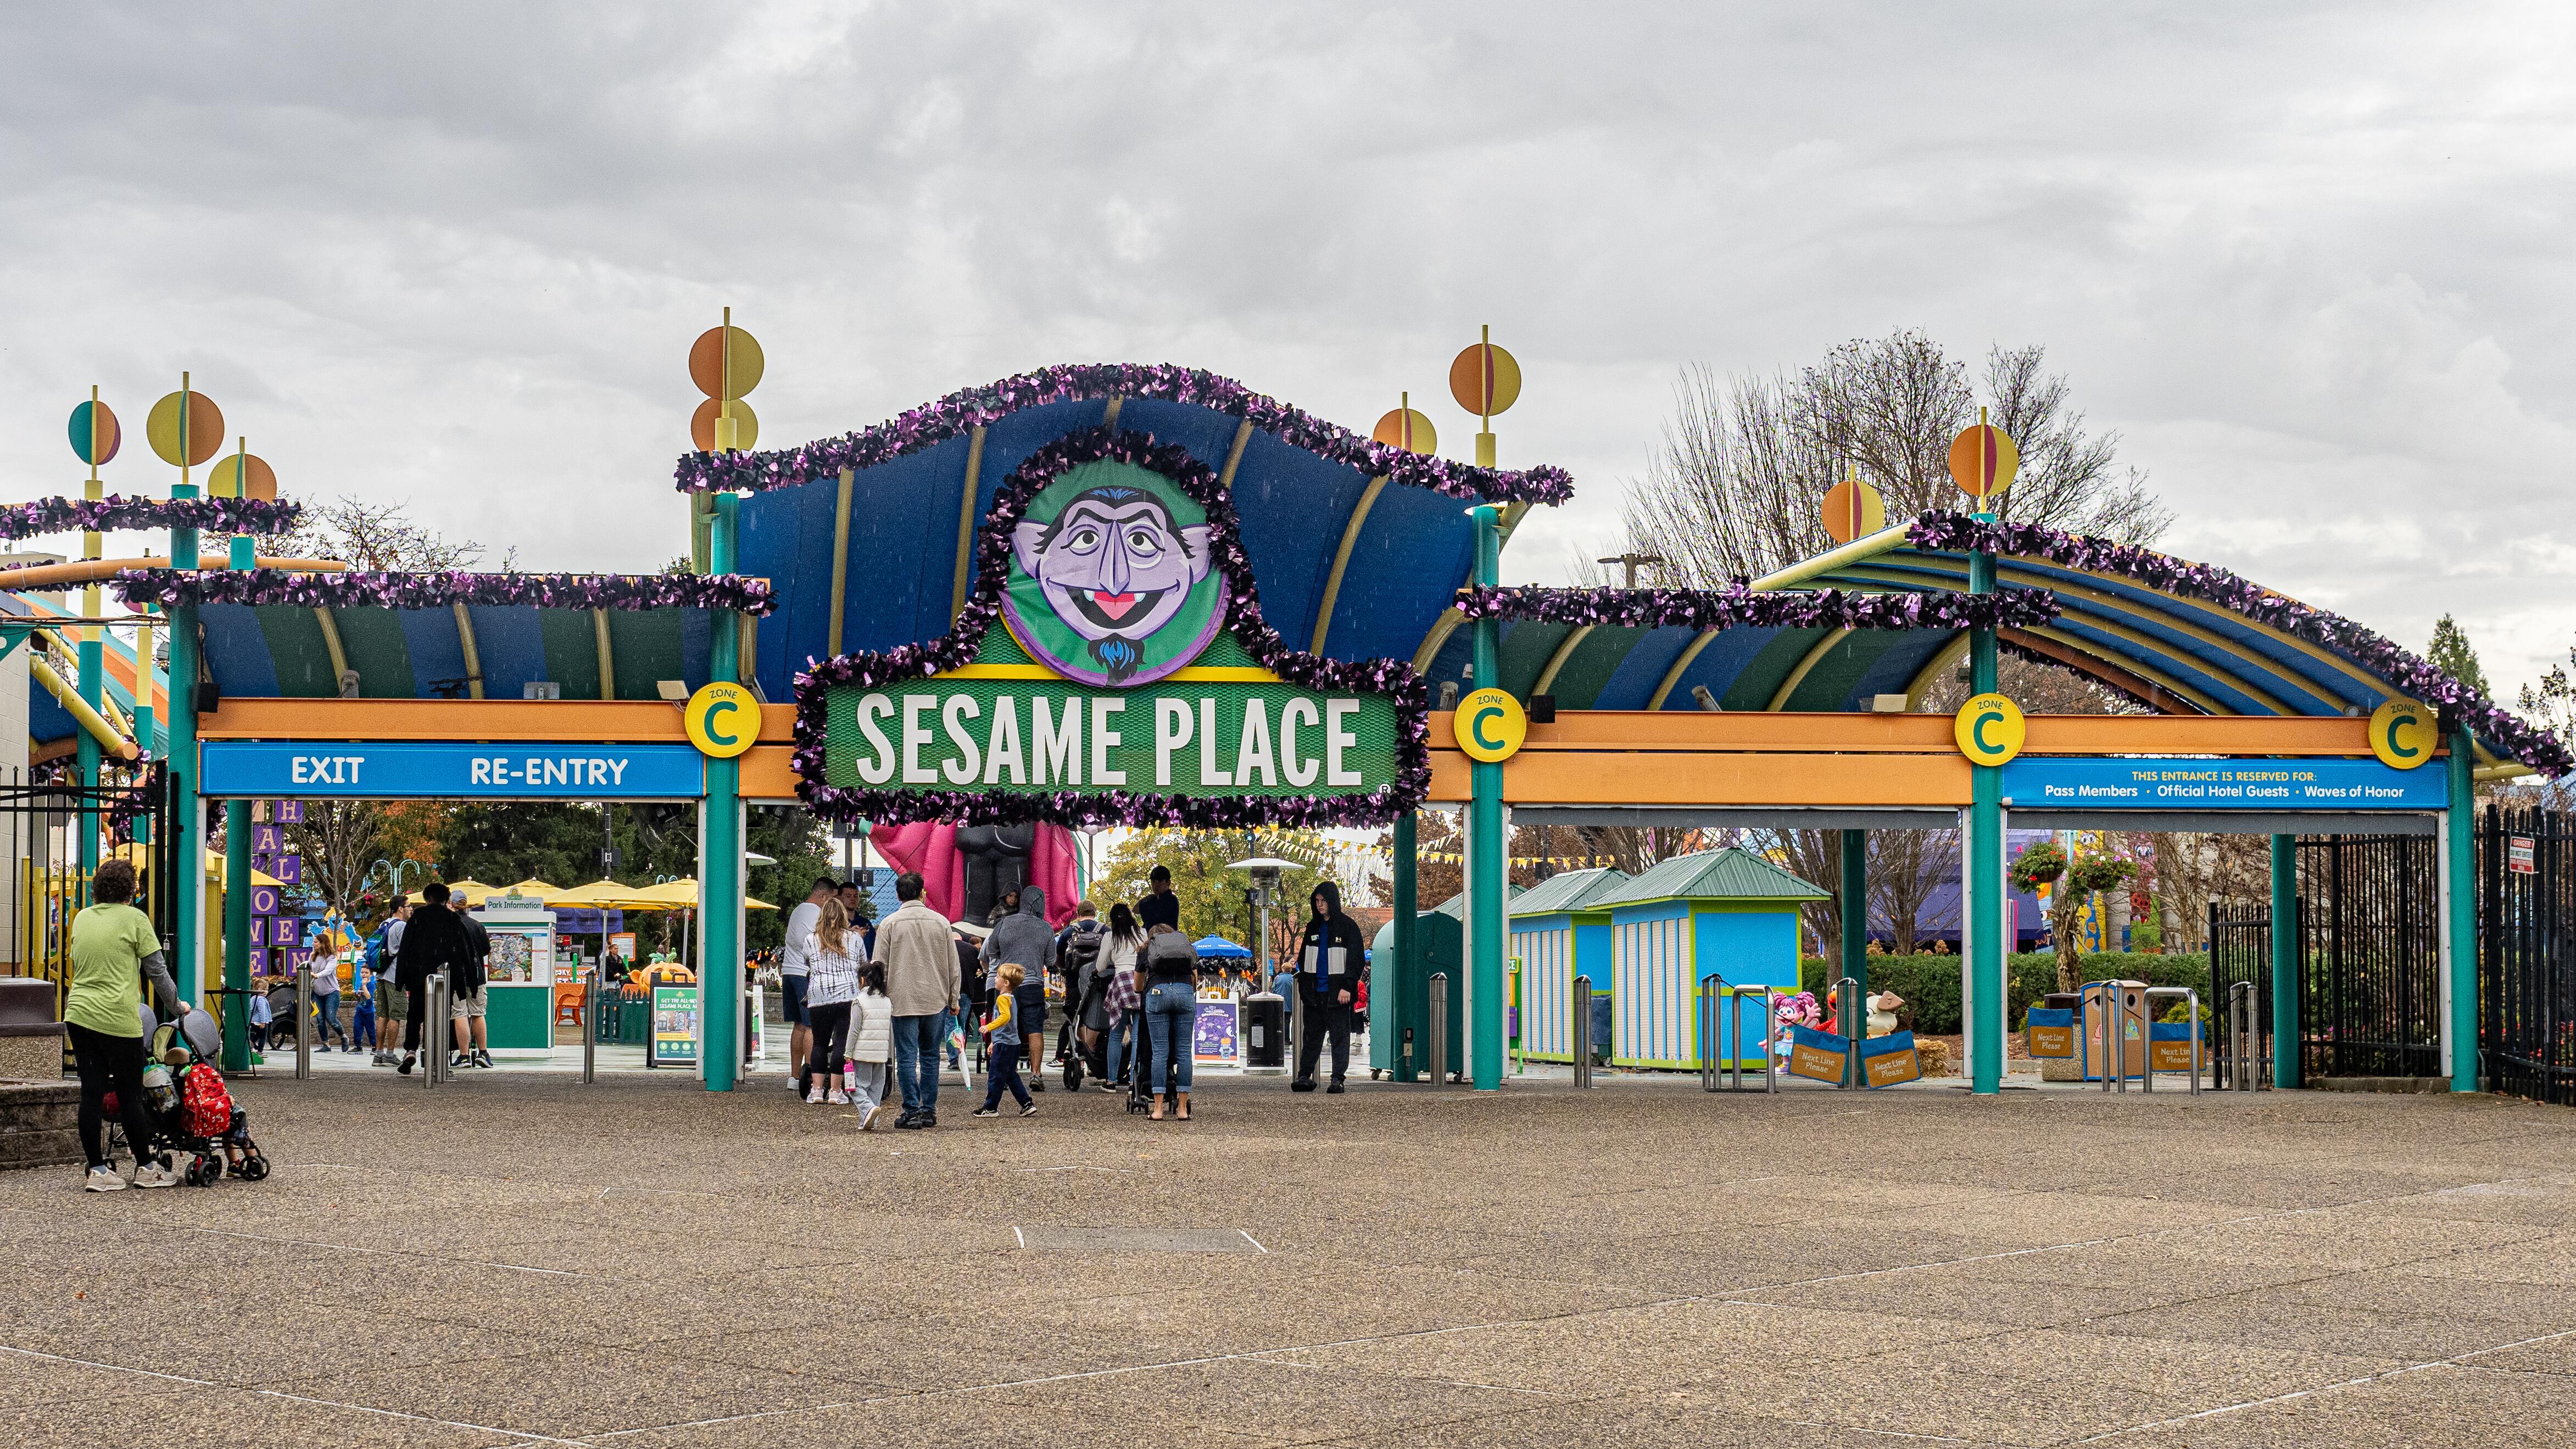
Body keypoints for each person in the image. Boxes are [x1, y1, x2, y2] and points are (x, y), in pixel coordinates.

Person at [67, 859, 182, 1190]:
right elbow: (157, 971)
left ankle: (98, 1171)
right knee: (130, 1094)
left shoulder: (82, 918)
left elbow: (80, 961)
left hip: (79, 1014)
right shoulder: (135, 919)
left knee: (91, 1093)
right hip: (117, 1017)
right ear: (131, 891)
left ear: (97, 889)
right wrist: (178, 1006)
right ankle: (146, 1168)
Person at [871, 871, 953, 1130]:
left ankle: (911, 1110)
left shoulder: (889, 924)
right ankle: (929, 1110)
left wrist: (879, 995)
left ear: (898, 896)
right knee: (931, 1056)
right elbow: (953, 966)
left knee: (907, 1057)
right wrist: (954, 997)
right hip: (935, 997)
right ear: (922, 893)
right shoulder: (941, 923)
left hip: (902, 997)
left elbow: (878, 966)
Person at [1292, 880, 1369, 1094]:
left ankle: (1337, 1079)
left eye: (1323, 901)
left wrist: (1347, 987)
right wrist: (1306, 989)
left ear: (1332, 901)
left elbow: (1356, 960)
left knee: (1339, 1038)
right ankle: (1304, 1076)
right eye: (1317, 901)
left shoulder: (1348, 926)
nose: (1319, 905)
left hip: (1337, 994)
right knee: (1311, 1037)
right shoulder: (1312, 928)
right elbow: (1304, 960)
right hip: (1315, 995)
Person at [394, 882, 471, 1075]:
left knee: (415, 1015)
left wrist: (401, 979)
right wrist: (465, 983)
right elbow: (464, 952)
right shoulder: (452, 918)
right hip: (445, 978)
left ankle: (411, 1050)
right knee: (441, 1018)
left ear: (428, 899)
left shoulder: (417, 918)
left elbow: (405, 949)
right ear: (446, 900)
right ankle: (438, 1061)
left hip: (419, 977)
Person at [982, 885, 1054, 1089]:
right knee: (1035, 1030)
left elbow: (992, 951)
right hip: (1033, 986)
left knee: (1006, 1028)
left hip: (1008, 986)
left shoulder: (1004, 923)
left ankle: (1007, 1072)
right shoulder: (1045, 928)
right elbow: (1051, 960)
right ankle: (1036, 1074)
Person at [801, 895, 862, 1105]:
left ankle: (817, 1090)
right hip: (848, 996)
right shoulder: (855, 939)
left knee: (819, 1042)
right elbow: (863, 963)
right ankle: (836, 1091)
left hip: (819, 996)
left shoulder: (811, 939)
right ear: (843, 916)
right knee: (841, 1042)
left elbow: (807, 961)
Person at [782, 876, 833, 1095]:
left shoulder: (797, 911)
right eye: (832, 899)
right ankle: (813, 1078)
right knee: (813, 1026)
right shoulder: (816, 914)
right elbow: (824, 943)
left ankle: (795, 1077)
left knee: (799, 1026)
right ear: (823, 896)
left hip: (789, 971)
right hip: (806, 974)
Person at [1141, 923, 1197, 1121]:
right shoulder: (1184, 947)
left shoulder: (1148, 948)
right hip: (1184, 992)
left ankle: (1158, 1110)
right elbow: (1195, 977)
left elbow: (1138, 984)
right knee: (1184, 1052)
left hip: (1158, 993)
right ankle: (1182, 1109)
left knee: (1159, 1052)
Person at [972, 962, 1038, 1118]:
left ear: (1006, 983)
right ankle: (1027, 1104)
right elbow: (1009, 1026)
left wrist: (989, 1027)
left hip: (1005, 1045)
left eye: (998, 977)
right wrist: (994, 1042)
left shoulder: (1002, 999)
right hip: (1012, 1043)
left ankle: (991, 1107)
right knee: (1010, 1075)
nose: (995, 979)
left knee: (995, 1076)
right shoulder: (1011, 999)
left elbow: (1004, 1018)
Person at [1100, 902, 1147, 1091]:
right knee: (1137, 1035)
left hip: (1121, 985)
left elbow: (1100, 966)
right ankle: (1134, 1082)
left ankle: (1111, 1081)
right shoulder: (1142, 933)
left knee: (1116, 1034)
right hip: (1140, 982)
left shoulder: (1111, 936)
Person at [843, 961, 894, 1130]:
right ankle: (869, 1121)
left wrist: (848, 1052)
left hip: (862, 1053)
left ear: (863, 980)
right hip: (881, 1053)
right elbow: (889, 1029)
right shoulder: (887, 1001)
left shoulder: (860, 1001)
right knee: (876, 1088)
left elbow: (854, 1030)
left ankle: (868, 1109)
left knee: (855, 1087)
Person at [1058, 901, 1106, 1069]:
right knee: (1098, 1020)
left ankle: (1066, 1054)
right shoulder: (1105, 931)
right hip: (1099, 985)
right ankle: (1095, 1055)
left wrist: (1066, 971)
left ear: (1078, 914)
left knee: (1073, 1018)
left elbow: (1059, 958)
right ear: (1094, 912)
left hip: (1074, 984)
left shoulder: (1069, 931)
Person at [451, 893, 493, 1068]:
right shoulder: (477, 925)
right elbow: (486, 950)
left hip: (457, 976)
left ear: (451, 904)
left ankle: (464, 1056)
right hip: (476, 976)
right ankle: (483, 1053)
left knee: (460, 1014)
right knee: (478, 1014)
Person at [306, 947, 350, 1052]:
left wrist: (317, 975)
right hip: (317, 993)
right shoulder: (313, 956)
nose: (314, 944)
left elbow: (328, 971)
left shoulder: (332, 957)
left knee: (331, 1019)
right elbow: (308, 969)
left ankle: (344, 1037)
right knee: (320, 1019)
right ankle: (326, 1045)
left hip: (332, 992)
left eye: (316, 942)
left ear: (323, 943)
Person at [1139, 864, 1180, 933]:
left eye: (1160, 882)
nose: (1156, 885)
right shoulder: (1152, 900)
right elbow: (1135, 909)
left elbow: (1139, 909)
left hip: (1166, 938)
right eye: (1154, 882)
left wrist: (1149, 898)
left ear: (1168, 883)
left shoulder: (1171, 901)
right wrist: (1150, 897)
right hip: (1152, 938)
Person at [350, 957, 377, 1051]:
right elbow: (359, 998)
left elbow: (369, 997)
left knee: (371, 1029)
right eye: (362, 972)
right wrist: (356, 995)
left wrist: (364, 986)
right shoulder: (359, 984)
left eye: (366, 973)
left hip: (369, 1011)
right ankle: (358, 1046)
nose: (364, 974)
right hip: (360, 1010)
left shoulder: (371, 985)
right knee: (357, 1028)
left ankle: (374, 1046)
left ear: (371, 974)